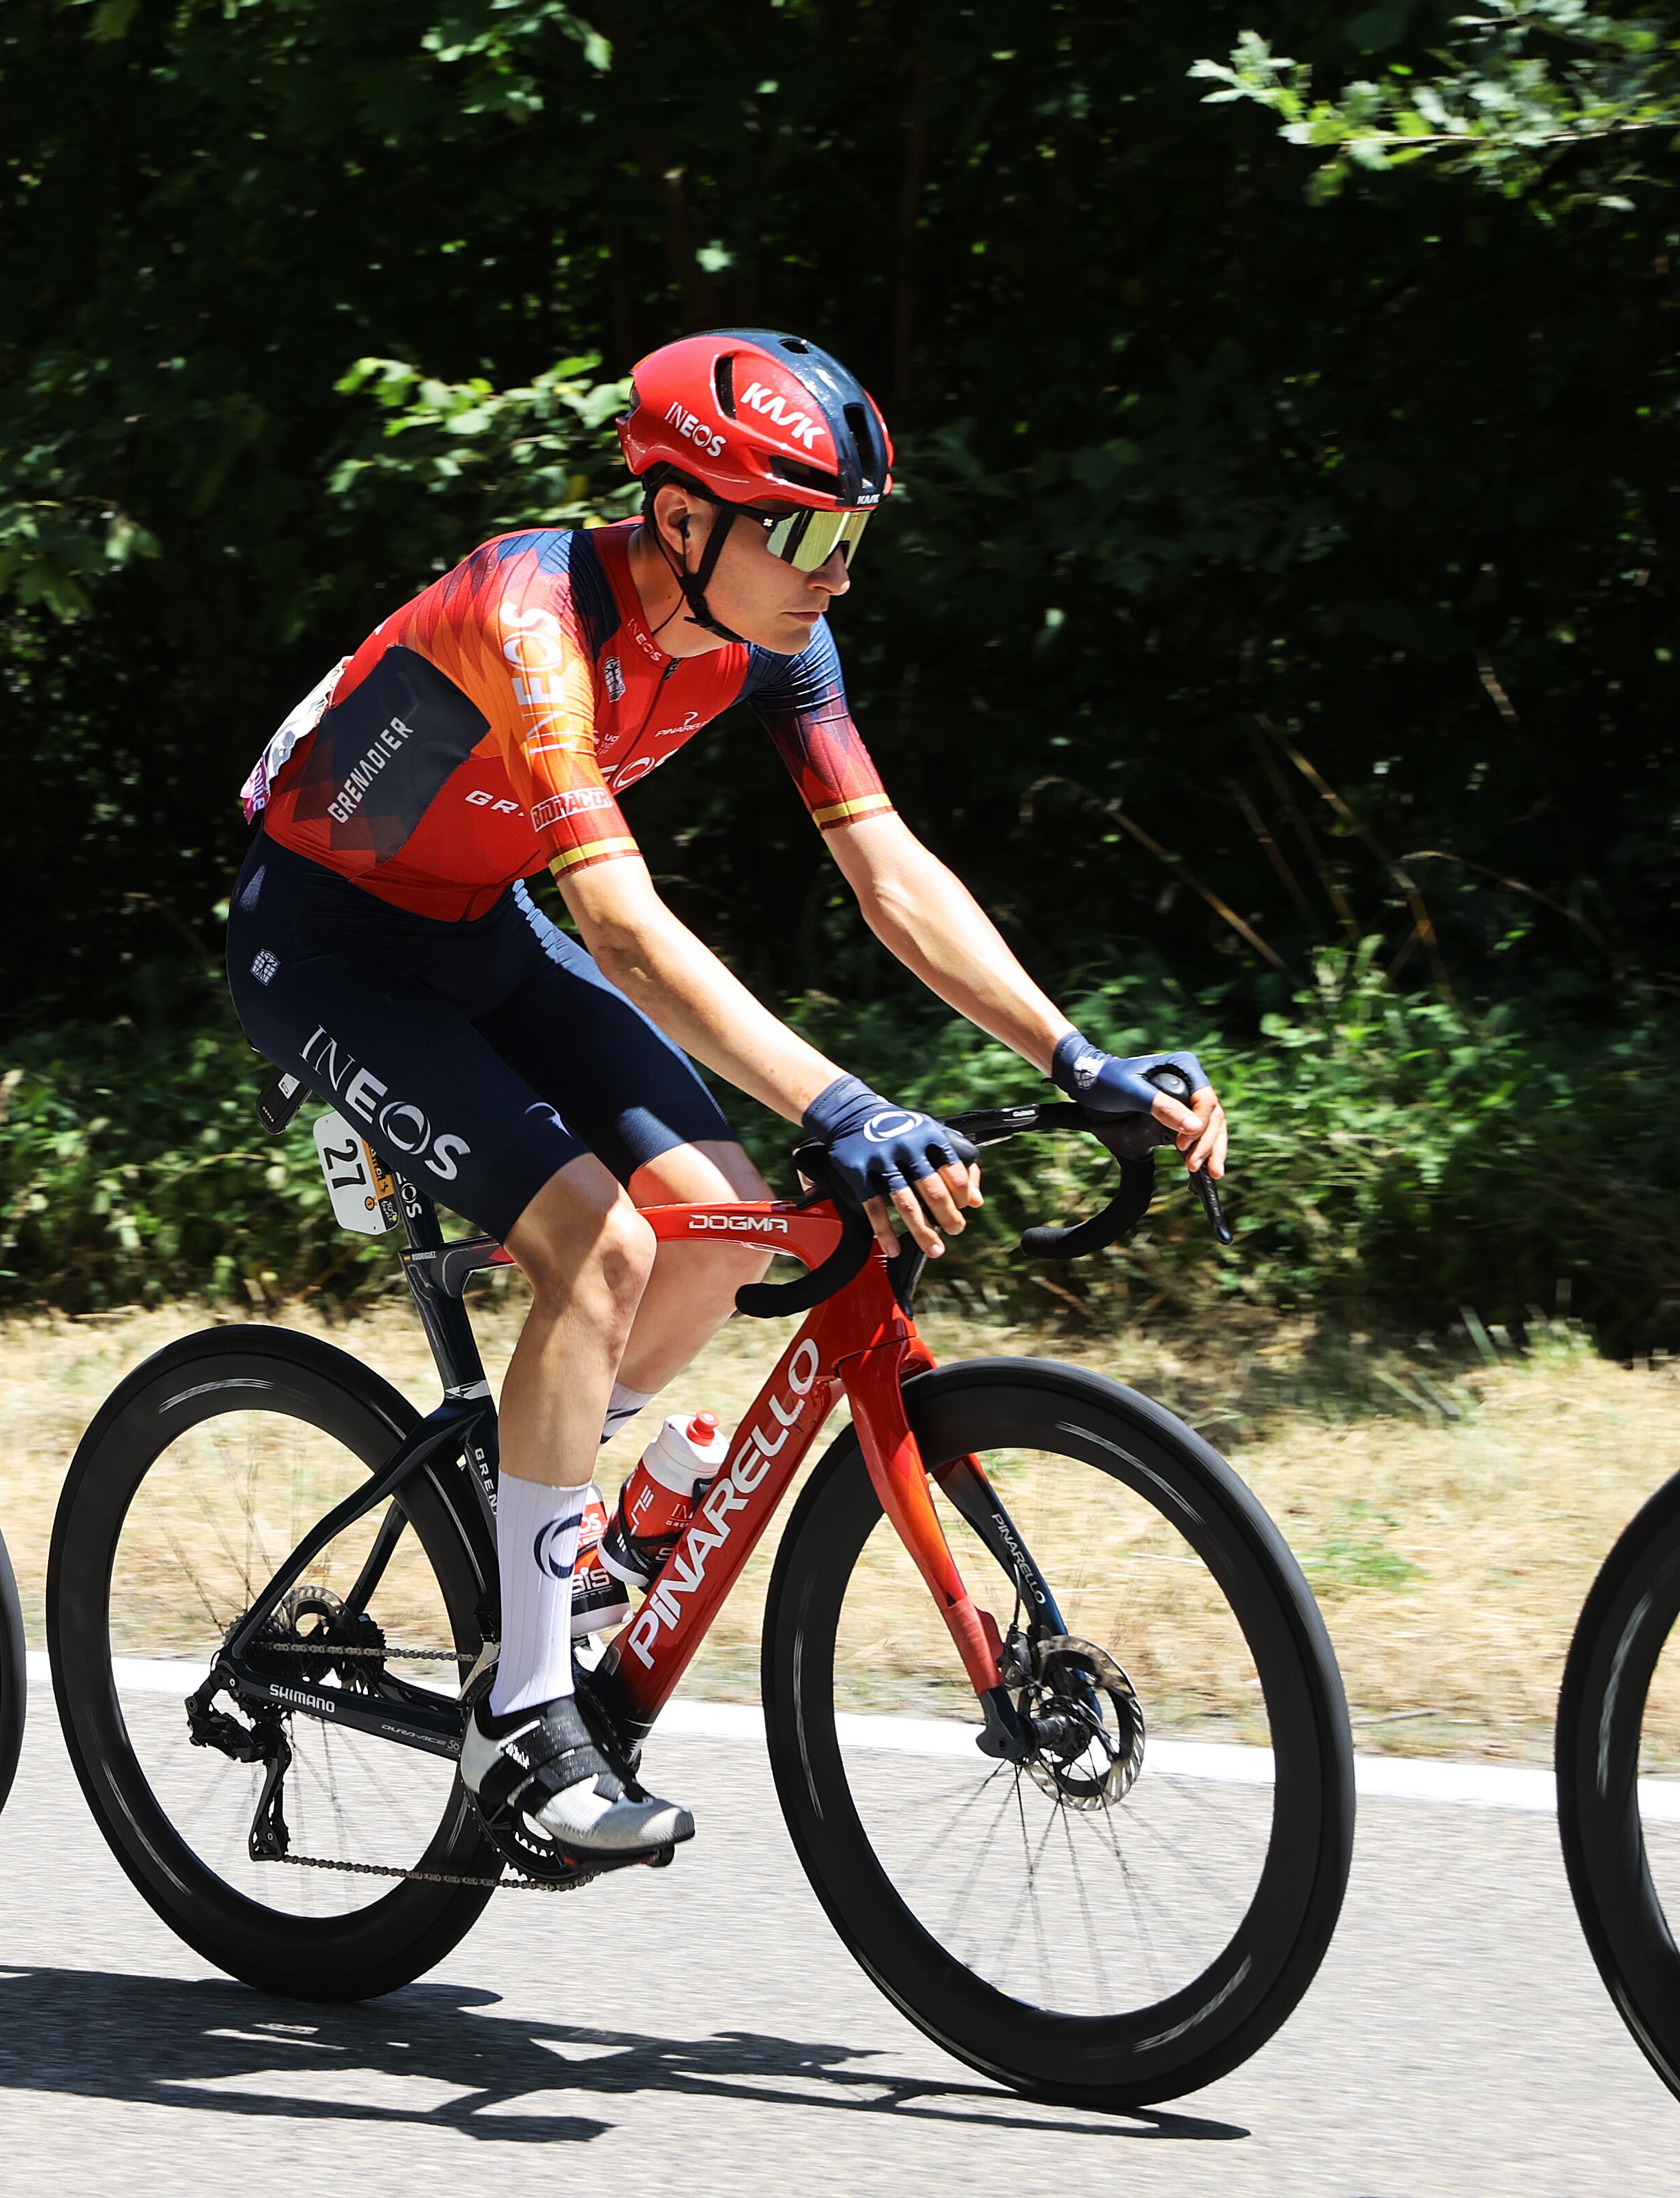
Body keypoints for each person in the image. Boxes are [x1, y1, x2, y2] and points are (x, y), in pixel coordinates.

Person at [229, 330, 1228, 1859]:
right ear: (681, 516)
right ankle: (519, 1721)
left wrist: (1072, 1056)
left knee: (716, 1225)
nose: (840, 575)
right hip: (326, 947)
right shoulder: (529, 616)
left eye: (857, 537)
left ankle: (542, 1508)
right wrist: (844, 1103)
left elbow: (887, 872)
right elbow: (625, 931)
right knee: (599, 1246)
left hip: (482, 926)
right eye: (808, 537)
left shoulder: (773, 635)